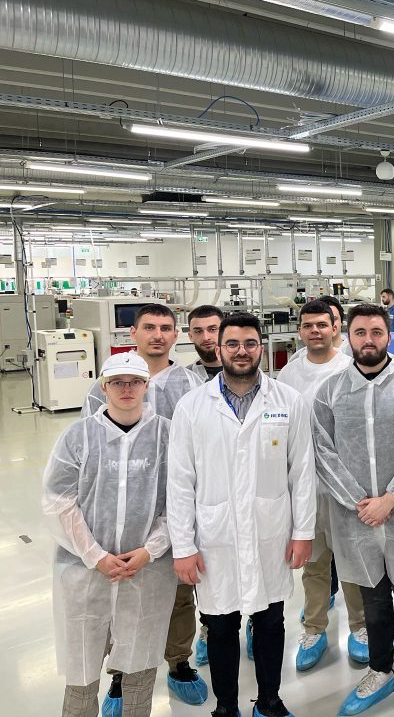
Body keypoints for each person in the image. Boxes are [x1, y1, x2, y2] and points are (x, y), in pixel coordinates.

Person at [167, 312, 316, 717]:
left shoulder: (288, 401)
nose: (241, 351)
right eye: (232, 344)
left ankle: (269, 701)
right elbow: (179, 482)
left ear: (261, 348)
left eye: (250, 343)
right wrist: (183, 547)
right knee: (220, 625)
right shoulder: (192, 406)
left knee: (270, 621)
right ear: (218, 349)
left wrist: (304, 532)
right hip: (215, 537)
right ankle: (226, 707)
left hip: (271, 532)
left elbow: (302, 472)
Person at [312, 303, 394, 717]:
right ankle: (381, 671)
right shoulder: (330, 391)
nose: (368, 340)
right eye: (360, 332)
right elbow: (323, 451)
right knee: (373, 600)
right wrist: (358, 501)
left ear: (389, 336)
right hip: (356, 517)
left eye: (376, 332)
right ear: (347, 337)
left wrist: (392, 497)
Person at [81, 304, 208, 713]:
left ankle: (179, 662)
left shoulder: (191, 384)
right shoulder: (104, 383)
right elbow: (89, 446)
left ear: (176, 335)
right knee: (124, 597)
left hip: (175, 506)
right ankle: (122, 675)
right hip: (120, 511)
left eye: (166, 328)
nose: (158, 335)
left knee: (179, 594)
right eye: (149, 327)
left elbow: (202, 448)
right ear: (132, 332)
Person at [43, 352, 178, 717]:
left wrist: (150, 550)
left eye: (135, 382)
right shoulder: (78, 436)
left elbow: (180, 501)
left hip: (147, 573)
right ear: (103, 387)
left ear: (147, 386)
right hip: (86, 574)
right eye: (117, 382)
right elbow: (58, 500)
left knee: (140, 667)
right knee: (82, 671)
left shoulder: (168, 436)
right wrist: (95, 555)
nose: (126, 389)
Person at [276, 300, 363, 673]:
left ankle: (360, 628)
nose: (315, 331)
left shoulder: (350, 369)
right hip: (305, 486)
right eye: (308, 325)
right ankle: (314, 630)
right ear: (300, 331)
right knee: (313, 565)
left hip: (346, 486)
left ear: (334, 328)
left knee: (352, 562)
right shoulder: (289, 373)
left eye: (322, 325)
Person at [186, 305, 224, 382]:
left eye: (212, 329)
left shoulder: (244, 373)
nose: (206, 338)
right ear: (191, 336)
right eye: (198, 331)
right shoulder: (185, 377)